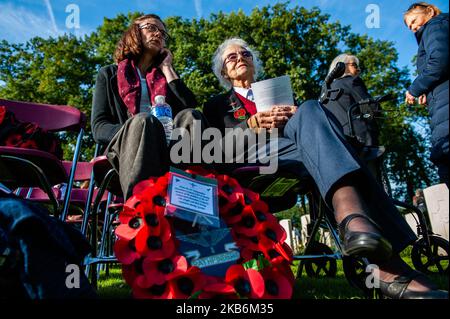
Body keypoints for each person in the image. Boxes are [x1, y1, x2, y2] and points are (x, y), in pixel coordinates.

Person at [203, 37, 447, 299]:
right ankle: (382, 258)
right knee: (339, 153)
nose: (241, 58)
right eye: (232, 57)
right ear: (223, 73)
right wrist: (251, 125)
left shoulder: (275, 91)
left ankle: (356, 226)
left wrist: (295, 115)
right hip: (254, 160)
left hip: (294, 151)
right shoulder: (216, 105)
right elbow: (217, 150)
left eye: (246, 54)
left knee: (309, 108)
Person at [91, 14, 201, 199]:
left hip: (168, 150)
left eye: (163, 33)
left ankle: (193, 204)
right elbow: (99, 127)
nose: (158, 34)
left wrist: (167, 68)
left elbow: (189, 108)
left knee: (192, 116)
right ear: (134, 33)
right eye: (151, 28)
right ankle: (140, 208)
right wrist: (140, 132)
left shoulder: (164, 78)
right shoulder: (108, 74)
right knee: (144, 121)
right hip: (124, 153)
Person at [403, 2, 449, 186]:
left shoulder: (435, 25)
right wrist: (427, 89)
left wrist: (415, 89)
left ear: (429, 11)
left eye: (413, 21)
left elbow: (440, 61)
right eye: (409, 26)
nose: (413, 27)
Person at [321, 54, 380, 149]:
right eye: (355, 65)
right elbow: (369, 109)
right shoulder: (352, 82)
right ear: (342, 66)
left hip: (336, 142)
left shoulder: (325, 93)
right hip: (361, 140)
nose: (358, 70)